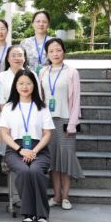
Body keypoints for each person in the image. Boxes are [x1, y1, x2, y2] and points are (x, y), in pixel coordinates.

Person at [0, 69, 55, 222]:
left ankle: (42, 214)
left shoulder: (42, 107)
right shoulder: (9, 107)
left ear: (34, 85)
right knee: (24, 171)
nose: (25, 87)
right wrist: (20, 150)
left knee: (36, 171)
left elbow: (47, 134)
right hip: (15, 150)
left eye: (28, 83)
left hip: (39, 149)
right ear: (15, 86)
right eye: (21, 83)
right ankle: (29, 213)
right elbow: (4, 133)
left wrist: (34, 151)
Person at [40, 38, 83, 210]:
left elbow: (76, 99)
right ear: (47, 54)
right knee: (53, 160)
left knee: (66, 159)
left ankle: (66, 197)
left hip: (65, 120)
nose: (55, 54)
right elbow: (40, 98)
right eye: (51, 51)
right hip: (47, 122)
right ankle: (56, 196)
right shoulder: (43, 72)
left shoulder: (72, 72)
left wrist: (72, 123)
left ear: (64, 51)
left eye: (58, 50)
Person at [20, 10, 51, 75]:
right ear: (33, 24)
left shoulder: (53, 42)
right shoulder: (25, 43)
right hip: (29, 78)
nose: (41, 24)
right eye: (38, 21)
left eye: (44, 22)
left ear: (48, 24)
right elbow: (20, 64)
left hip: (50, 77)